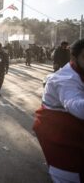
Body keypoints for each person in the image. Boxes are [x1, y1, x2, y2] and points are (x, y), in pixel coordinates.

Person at [33, 39, 84, 183]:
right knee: (68, 171)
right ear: (74, 57)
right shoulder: (65, 80)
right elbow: (74, 104)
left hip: (68, 121)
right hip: (56, 129)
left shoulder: (77, 68)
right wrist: (56, 67)